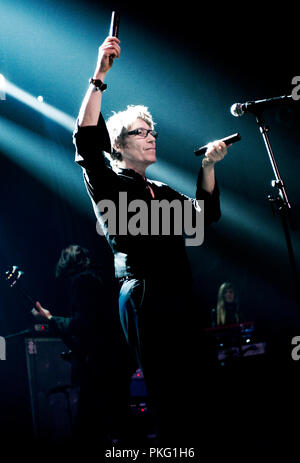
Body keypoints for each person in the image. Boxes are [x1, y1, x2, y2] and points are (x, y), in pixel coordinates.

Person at [73, 36, 229, 448]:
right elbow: (86, 142)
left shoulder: (160, 189)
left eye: (153, 131)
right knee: (169, 394)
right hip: (145, 295)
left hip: (179, 294)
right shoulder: (110, 184)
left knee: (200, 388)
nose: (151, 136)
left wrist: (209, 166)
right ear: (120, 145)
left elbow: (204, 216)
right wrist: (100, 77)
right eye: (141, 132)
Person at [32, 244, 133, 451]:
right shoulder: (102, 278)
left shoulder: (82, 282)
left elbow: (84, 324)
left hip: (100, 368)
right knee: (119, 422)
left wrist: (50, 318)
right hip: (117, 362)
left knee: (88, 430)